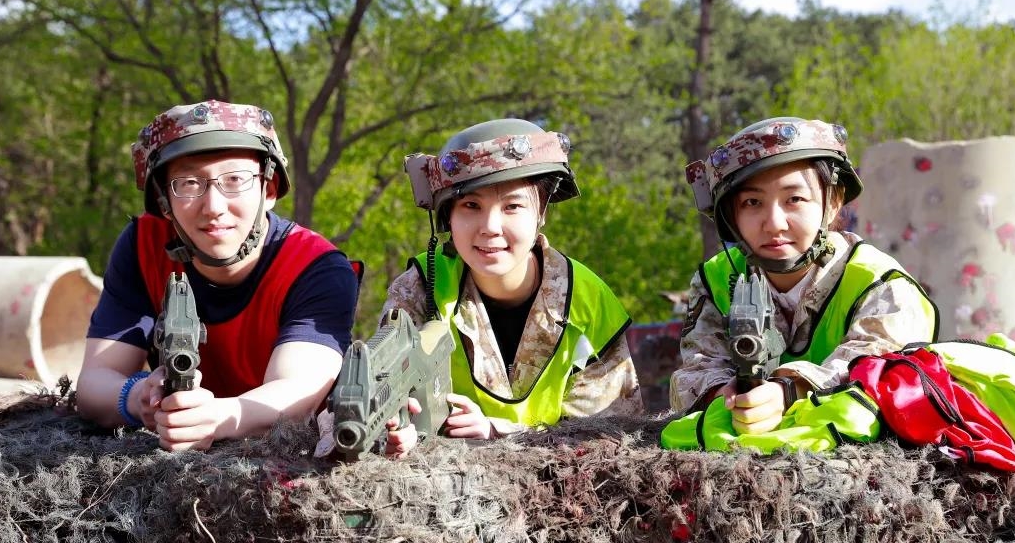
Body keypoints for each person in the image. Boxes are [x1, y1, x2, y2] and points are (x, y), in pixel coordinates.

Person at [77, 100, 359, 451]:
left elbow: (298, 393)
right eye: (188, 183)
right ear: (164, 201)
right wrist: (141, 398)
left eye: (235, 180)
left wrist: (217, 417)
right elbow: (93, 383)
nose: (213, 207)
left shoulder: (316, 266)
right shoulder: (143, 246)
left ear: (269, 189)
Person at [381, 118, 643, 457]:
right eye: (471, 206)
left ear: (541, 211)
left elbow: (611, 439)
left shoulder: (587, 300)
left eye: (512, 207)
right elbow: (382, 391)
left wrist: (498, 431)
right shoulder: (422, 287)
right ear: (448, 216)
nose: (490, 227)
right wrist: (397, 430)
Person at [667, 117, 938, 436]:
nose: (774, 223)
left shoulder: (880, 283)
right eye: (752, 203)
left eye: (794, 199)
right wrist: (726, 397)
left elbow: (881, 373)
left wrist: (789, 391)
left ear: (832, 202)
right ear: (731, 216)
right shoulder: (715, 279)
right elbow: (694, 371)